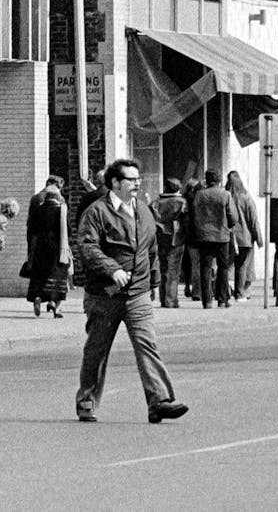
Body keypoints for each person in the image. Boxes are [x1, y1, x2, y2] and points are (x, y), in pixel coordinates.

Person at [75, 158, 187, 425]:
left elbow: (151, 250)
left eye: (138, 179)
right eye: (131, 179)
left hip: (137, 294)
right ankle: (87, 401)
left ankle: (159, 401)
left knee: (147, 345)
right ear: (115, 182)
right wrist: (111, 269)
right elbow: (88, 246)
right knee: (97, 351)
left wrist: (154, 283)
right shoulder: (97, 212)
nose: (137, 183)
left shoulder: (144, 211)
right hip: (104, 295)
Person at [190, 169, 237, 309]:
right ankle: (222, 299)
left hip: (204, 236)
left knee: (205, 267)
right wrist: (229, 224)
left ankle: (207, 301)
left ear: (206, 180)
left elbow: (193, 215)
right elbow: (233, 217)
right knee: (223, 268)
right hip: (222, 235)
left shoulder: (199, 195)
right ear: (219, 180)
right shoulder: (225, 195)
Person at [24, 180, 72, 316]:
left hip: (40, 247)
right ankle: (55, 305)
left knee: (40, 274)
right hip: (58, 247)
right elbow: (68, 230)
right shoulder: (61, 210)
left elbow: (31, 229)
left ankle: (38, 297)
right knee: (58, 275)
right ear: (57, 196)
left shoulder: (38, 209)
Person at [150, 178, 186, 308]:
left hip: (160, 236)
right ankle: (171, 299)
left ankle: (163, 297)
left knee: (163, 267)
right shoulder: (182, 202)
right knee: (174, 269)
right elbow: (186, 220)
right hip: (177, 237)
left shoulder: (155, 202)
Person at [226, 172, 261, 302]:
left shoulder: (226, 196)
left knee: (227, 265)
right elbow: (253, 220)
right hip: (244, 238)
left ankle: (226, 290)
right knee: (242, 266)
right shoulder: (246, 198)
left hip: (228, 237)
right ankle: (240, 293)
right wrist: (259, 238)